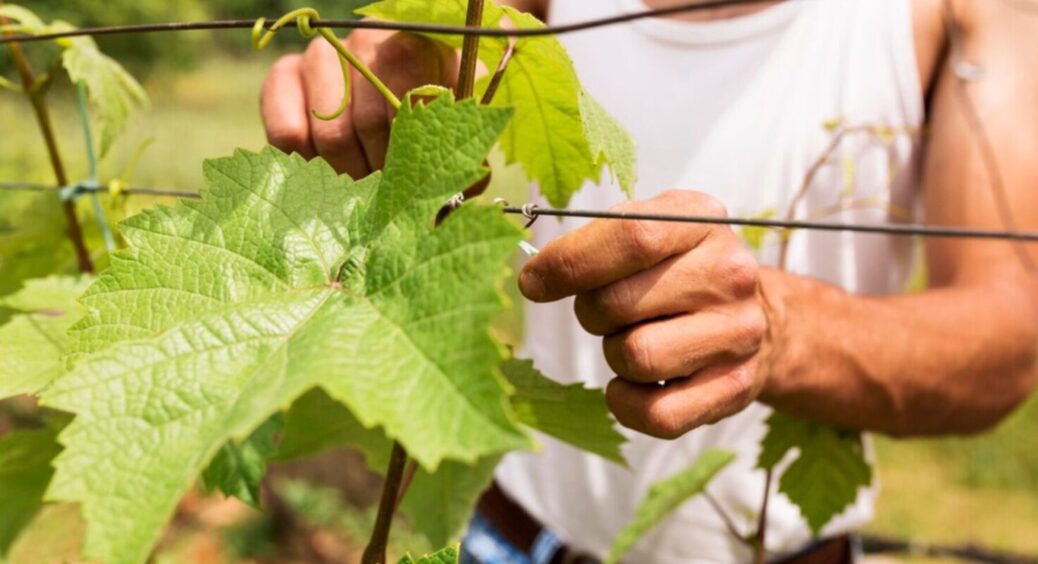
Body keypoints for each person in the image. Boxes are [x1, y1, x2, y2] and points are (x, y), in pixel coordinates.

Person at [260, 0, 1038, 561]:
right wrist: (383, 56)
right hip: (510, 536)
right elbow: (447, 41)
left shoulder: (961, 14)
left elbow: (1011, 337)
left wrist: (783, 329)